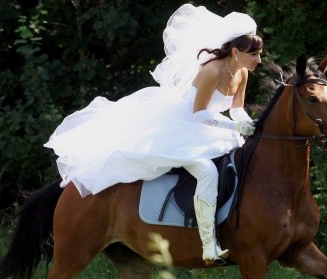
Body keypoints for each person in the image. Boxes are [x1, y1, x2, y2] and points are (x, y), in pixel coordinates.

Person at [44, 3, 263, 265]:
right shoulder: (212, 70)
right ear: (236, 52)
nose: (258, 60)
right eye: (254, 54)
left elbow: (237, 109)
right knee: (207, 172)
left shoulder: (241, 73)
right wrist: (233, 127)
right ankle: (209, 245)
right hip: (184, 127)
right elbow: (198, 114)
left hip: (212, 130)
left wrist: (252, 125)